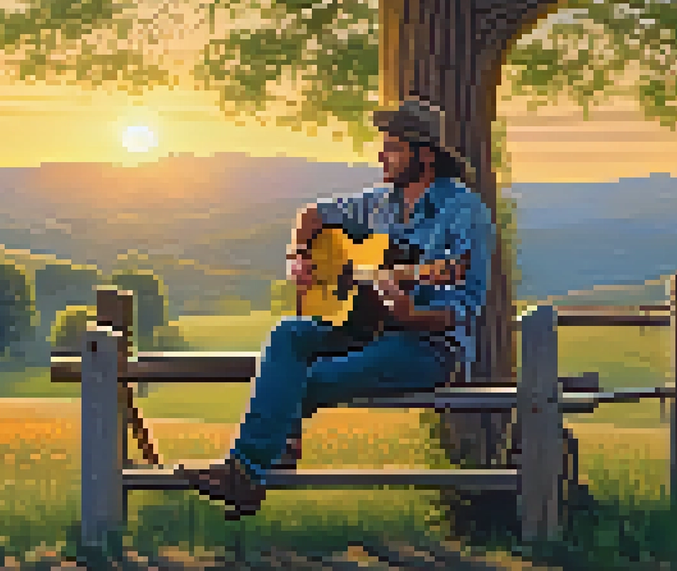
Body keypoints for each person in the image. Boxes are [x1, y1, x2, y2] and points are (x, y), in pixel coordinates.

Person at [174, 97, 497, 519]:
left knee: (306, 380)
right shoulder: (380, 202)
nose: (382, 154)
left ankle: (245, 473)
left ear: (426, 156)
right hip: (367, 328)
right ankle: (258, 466)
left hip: (429, 348)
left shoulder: (466, 214)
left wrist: (410, 314)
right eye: (383, 144)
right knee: (288, 334)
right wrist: (298, 256)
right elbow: (311, 215)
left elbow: (465, 310)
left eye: (394, 147)